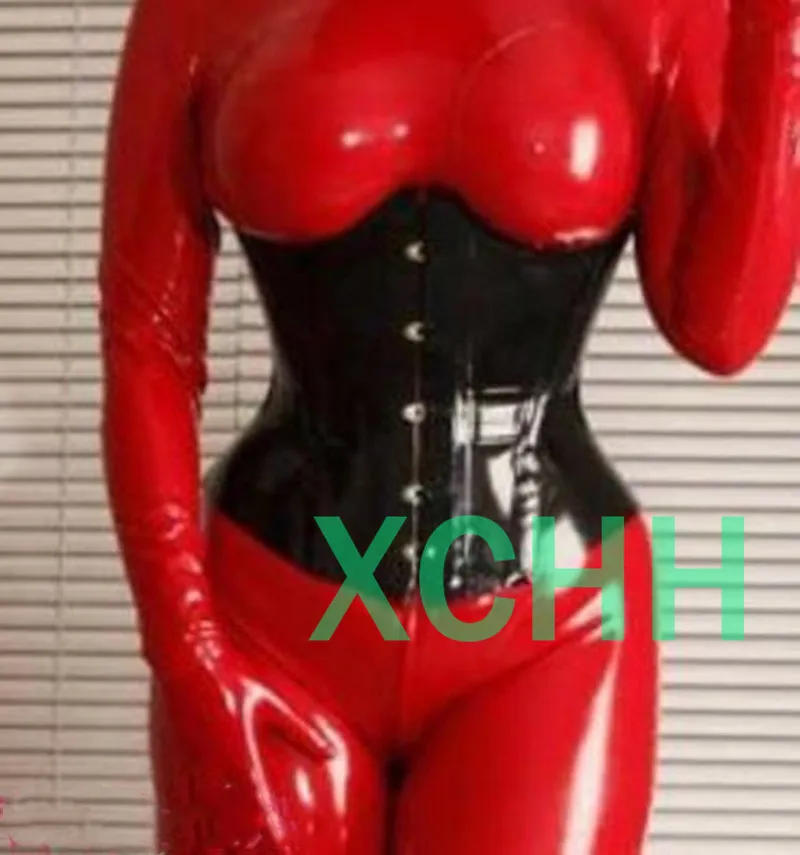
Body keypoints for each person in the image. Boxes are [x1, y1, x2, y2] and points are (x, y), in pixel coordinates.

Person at [97, 0, 800, 851]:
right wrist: (188, 659)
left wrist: (775, 30)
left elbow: (719, 330)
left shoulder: (666, 13)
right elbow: (147, 349)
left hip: (552, 634)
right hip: (273, 617)